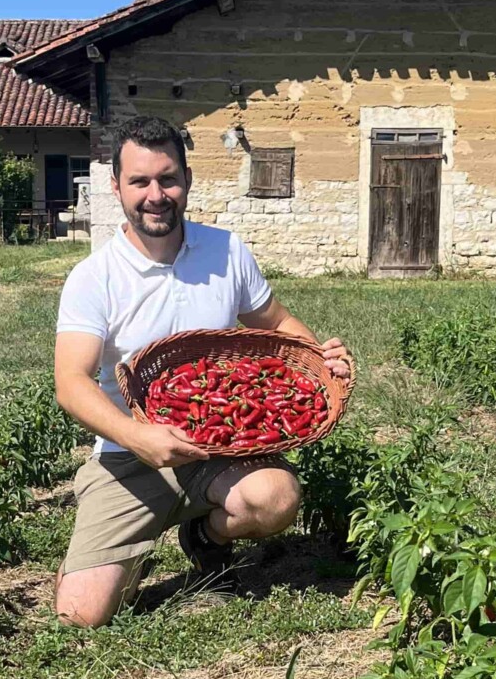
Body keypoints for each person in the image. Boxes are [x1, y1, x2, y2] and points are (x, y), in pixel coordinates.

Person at [53, 115, 352, 627]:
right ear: (116, 187)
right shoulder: (94, 277)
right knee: (80, 614)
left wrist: (320, 355)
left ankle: (204, 538)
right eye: (139, 181)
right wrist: (138, 436)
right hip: (130, 455)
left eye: (167, 178)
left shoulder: (226, 250)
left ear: (187, 180)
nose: (155, 194)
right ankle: (129, 544)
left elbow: (274, 319)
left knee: (274, 497)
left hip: (219, 450)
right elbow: (71, 382)